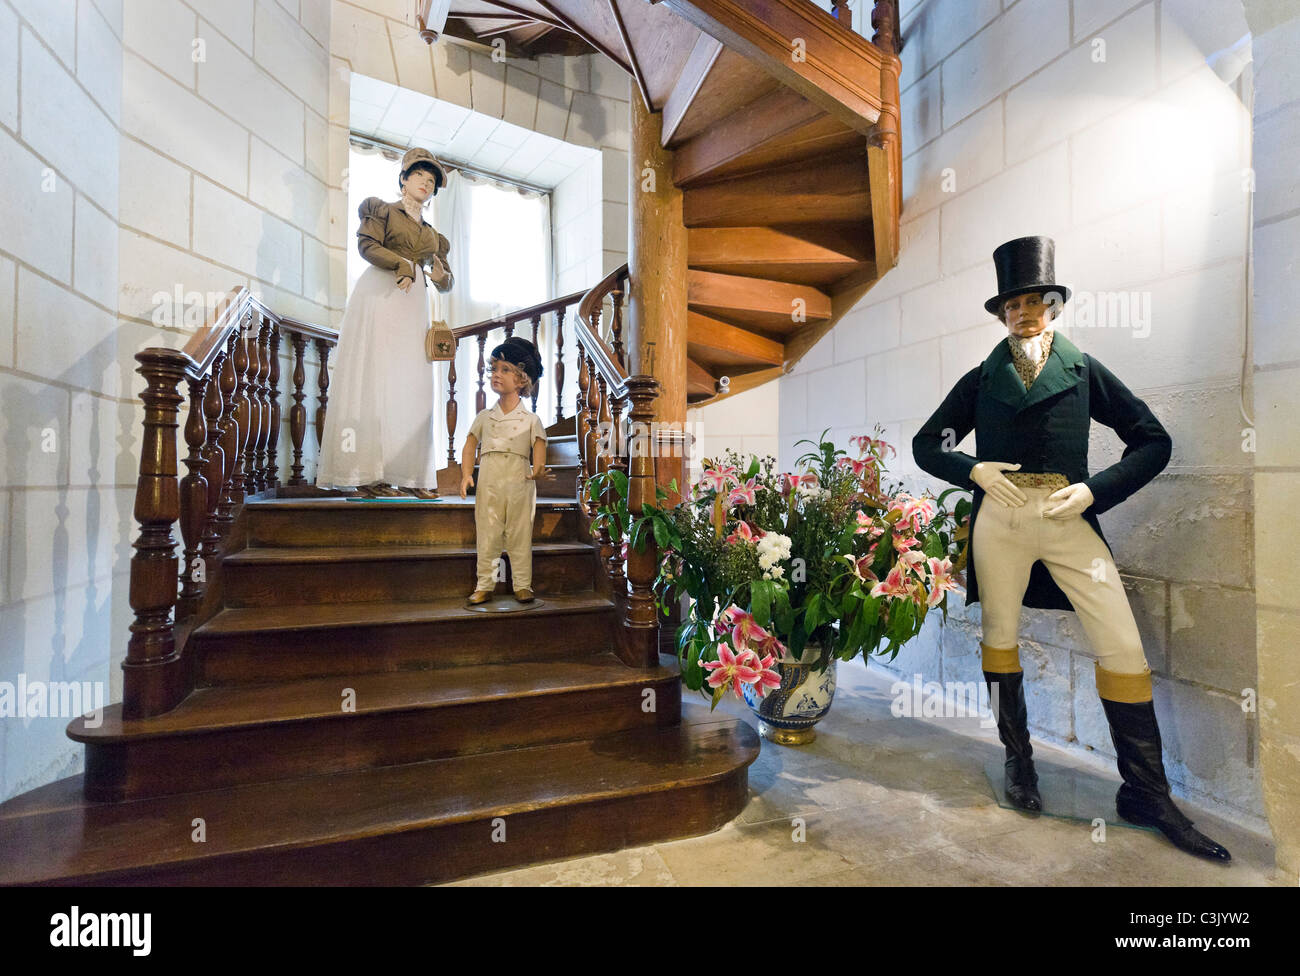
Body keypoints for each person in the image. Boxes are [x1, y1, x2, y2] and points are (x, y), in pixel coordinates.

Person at [912, 235, 1230, 862]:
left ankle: (1146, 792)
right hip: (999, 523)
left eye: (1034, 300)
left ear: (1053, 306)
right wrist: (974, 471)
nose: (1023, 313)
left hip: (1067, 517)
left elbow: (1152, 440)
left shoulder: (1084, 371)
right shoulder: (982, 379)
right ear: (1001, 313)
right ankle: (1019, 761)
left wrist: (1093, 491)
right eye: (1012, 305)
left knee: (1122, 646)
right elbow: (928, 444)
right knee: (1000, 637)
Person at [316, 147, 454, 498]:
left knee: (412, 386)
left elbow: (447, 280)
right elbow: (367, 246)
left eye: (432, 180)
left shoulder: (434, 235)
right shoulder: (380, 209)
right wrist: (404, 265)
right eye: (420, 175)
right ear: (404, 179)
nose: (426, 182)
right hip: (381, 295)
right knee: (373, 380)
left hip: (413, 306)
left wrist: (438, 277)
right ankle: (366, 474)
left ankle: (411, 475)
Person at [460, 338, 551, 604]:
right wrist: (467, 474)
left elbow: (539, 447)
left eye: (505, 369)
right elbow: (469, 445)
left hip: (519, 480)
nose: (497, 374)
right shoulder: (484, 417)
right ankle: (484, 584)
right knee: (487, 533)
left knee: (520, 532)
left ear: (522, 379)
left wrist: (539, 470)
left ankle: (523, 584)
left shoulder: (531, 420)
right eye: (495, 369)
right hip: (488, 478)